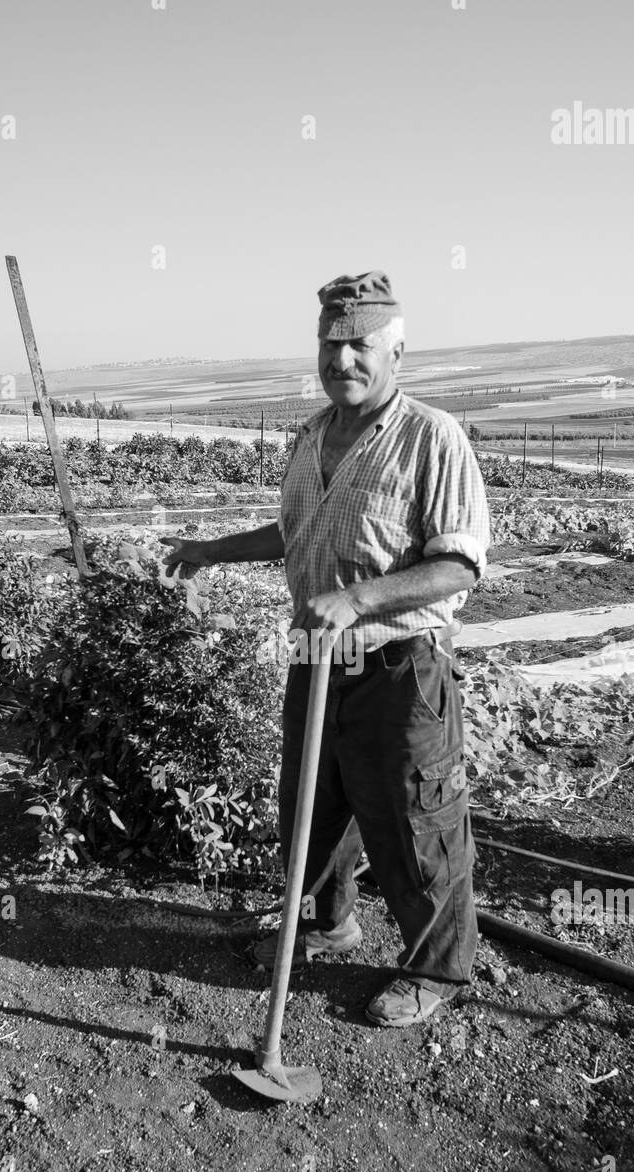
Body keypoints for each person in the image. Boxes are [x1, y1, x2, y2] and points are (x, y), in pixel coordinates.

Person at [161, 270, 491, 1027]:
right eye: (331, 344)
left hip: (400, 665)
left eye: (360, 345)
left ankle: (434, 970)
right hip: (318, 659)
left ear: (397, 352)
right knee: (313, 806)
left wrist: (359, 598)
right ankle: (327, 923)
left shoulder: (431, 437)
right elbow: (294, 534)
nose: (342, 358)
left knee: (415, 816)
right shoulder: (311, 437)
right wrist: (213, 548)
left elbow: (459, 563)